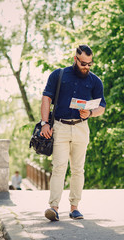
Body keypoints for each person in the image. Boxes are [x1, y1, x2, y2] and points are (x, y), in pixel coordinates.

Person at [40, 44, 106, 221]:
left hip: (81, 127)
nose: (86, 67)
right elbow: (46, 98)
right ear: (75, 59)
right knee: (59, 167)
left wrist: (91, 112)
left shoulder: (95, 80)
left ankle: (75, 207)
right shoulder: (58, 75)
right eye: (83, 63)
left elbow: (102, 107)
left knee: (78, 169)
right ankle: (53, 208)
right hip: (60, 126)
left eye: (90, 64)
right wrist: (44, 123)